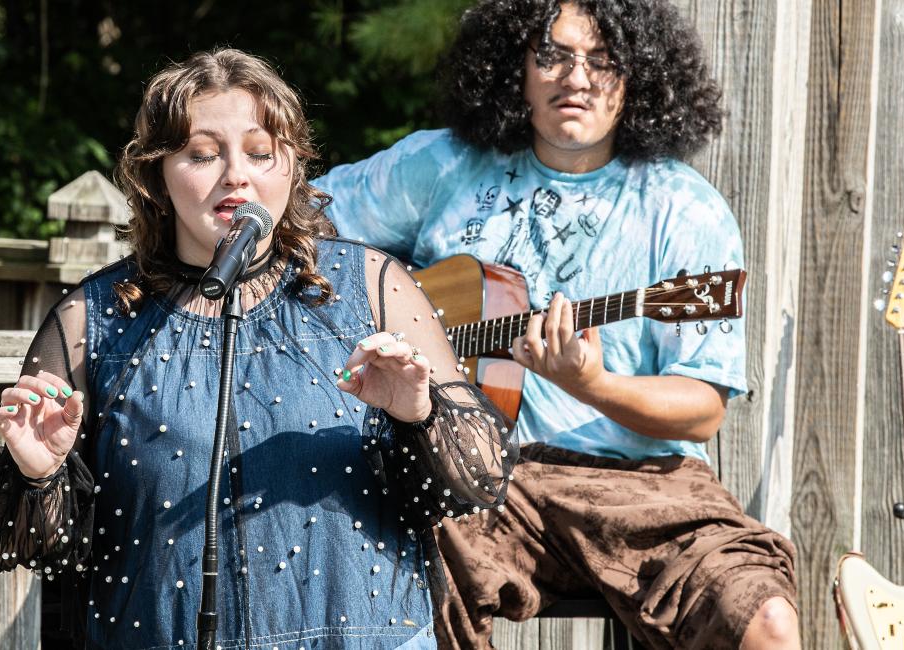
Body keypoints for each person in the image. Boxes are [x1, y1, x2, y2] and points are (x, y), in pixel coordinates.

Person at [0, 47, 517, 650]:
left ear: (292, 168)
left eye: (259, 153)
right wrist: (41, 476)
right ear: (157, 175)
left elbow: (474, 484)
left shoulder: (375, 286)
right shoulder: (90, 319)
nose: (235, 174)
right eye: (203, 155)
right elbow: (49, 552)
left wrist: (419, 416)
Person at [311, 1, 800, 648]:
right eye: (553, 55)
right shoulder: (444, 165)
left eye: (602, 60)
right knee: (385, 570)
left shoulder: (684, 209)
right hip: (470, 472)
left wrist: (593, 384)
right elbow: (299, 227)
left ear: (638, 76)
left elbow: (702, 409)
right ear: (515, 68)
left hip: (642, 483)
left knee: (761, 617)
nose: (577, 77)